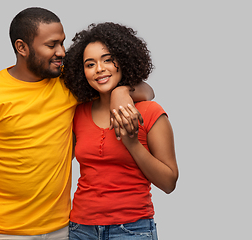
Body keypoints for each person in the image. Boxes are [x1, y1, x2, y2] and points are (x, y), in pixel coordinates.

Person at [0, 7, 154, 240]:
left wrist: (122, 91)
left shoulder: (68, 83)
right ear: (22, 47)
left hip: (64, 228)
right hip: (5, 232)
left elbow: (146, 90)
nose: (62, 52)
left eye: (62, 43)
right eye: (51, 45)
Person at [63, 22, 179, 240]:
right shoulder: (77, 113)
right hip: (80, 228)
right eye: (90, 64)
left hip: (132, 229)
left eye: (107, 59)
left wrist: (132, 143)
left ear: (124, 60)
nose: (99, 69)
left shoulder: (151, 112)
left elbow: (169, 182)